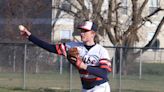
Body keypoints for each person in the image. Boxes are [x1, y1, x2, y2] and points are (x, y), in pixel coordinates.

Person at [19, 20, 112, 92]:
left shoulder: (101, 51)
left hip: (100, 87)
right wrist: (30, 36)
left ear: (93, 34)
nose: (82, 33)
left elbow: (104, 73)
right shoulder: (73, 47)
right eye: (81, 30)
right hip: (86, 87)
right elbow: (50, 48)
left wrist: (83, 66)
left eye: (85, 31)